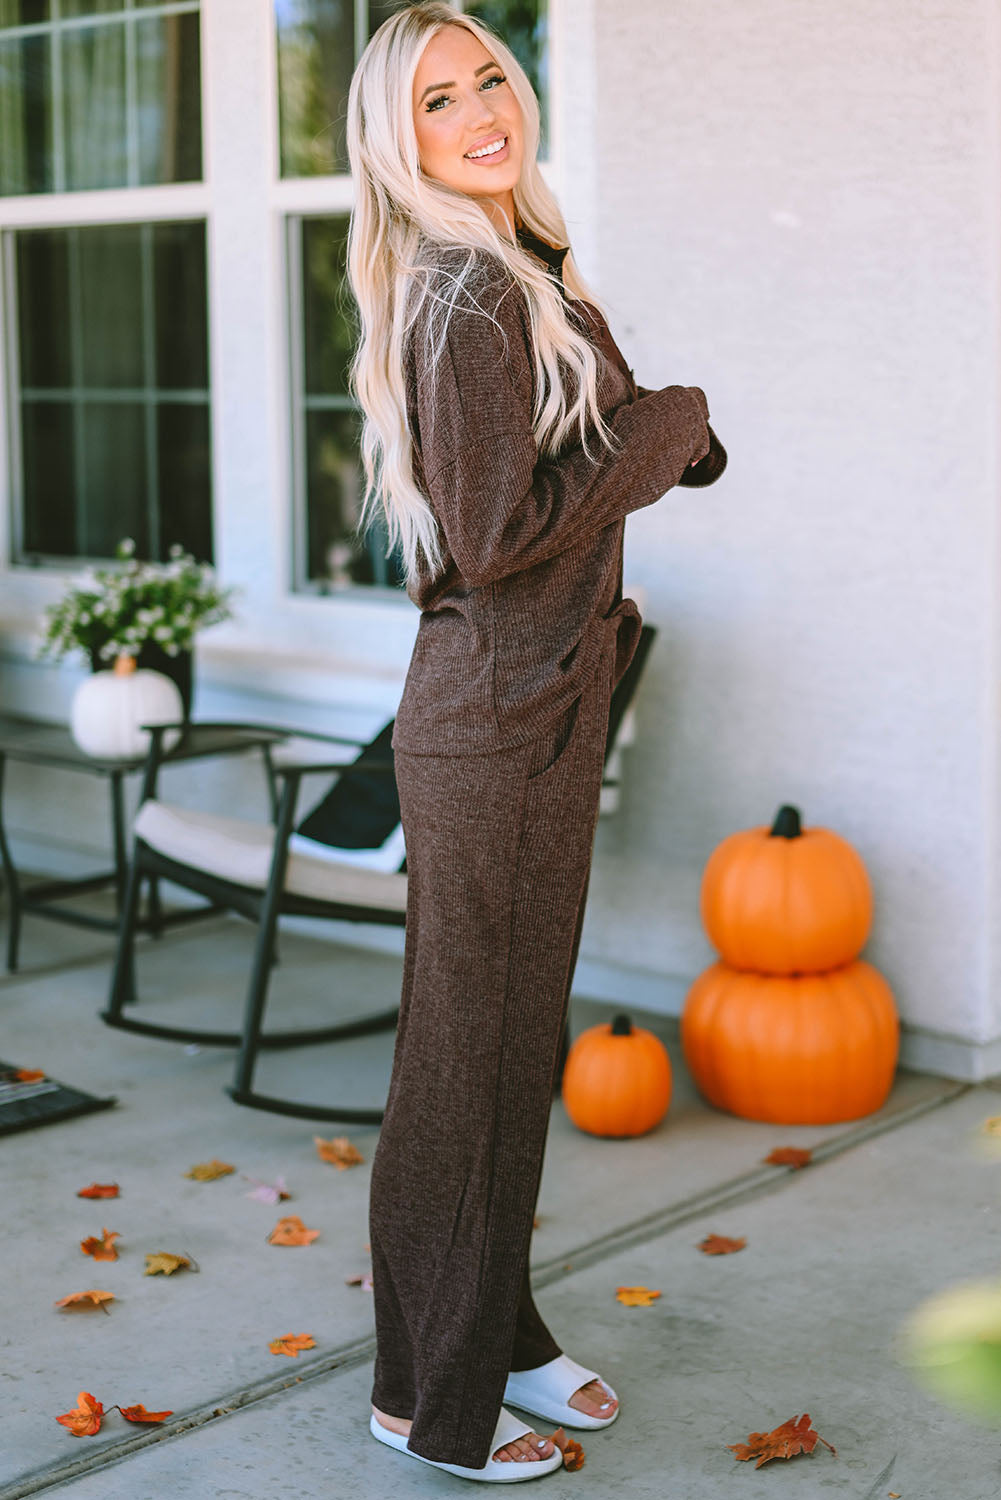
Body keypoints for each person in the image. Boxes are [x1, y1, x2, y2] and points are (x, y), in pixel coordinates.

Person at [345, 2, 726, 1483]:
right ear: (402, 140)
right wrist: (673, 423)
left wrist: (663, 433)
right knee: (464, 1067)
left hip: (536, 713)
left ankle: (495, 1334)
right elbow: (500, 534)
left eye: (490, 76)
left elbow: (611, 439)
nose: (480, 110)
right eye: (440, 100)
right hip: (490, 723)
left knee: (507, 1059)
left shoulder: (526, 266)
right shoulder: (465, 294)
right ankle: (420, 1398)